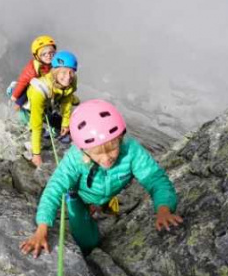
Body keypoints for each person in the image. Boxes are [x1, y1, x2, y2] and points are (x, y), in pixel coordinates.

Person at [20, 99, 183, 257]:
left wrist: (163, 209)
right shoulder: (75, 159)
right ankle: (93, 208)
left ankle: (102, 205)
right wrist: (42, 229)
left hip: (105, 194)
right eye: (97, 153)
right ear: (84, 150)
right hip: (79, 197)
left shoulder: (131, 150)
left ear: (120, 138)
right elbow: (54, 189)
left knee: (102, 208)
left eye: (112, 149)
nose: (106, 159)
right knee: (88, 243)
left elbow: (155, 179)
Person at [26, 50, 79, 167]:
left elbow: (67, 100)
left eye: (71, 72)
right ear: (55, 71)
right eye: (63, 72)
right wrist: (36, 155)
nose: (68, 77)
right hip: (38, 101)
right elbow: (37, 125)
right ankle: (25, 116)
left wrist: (65, 124)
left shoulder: (72, 81)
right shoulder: (38, 91)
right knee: (36, 120)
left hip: (54, 97)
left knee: (74, 101)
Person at [7, 35, 57, 117]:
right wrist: (15, 97)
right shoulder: (32, 69)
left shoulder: (55, 64)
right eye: (44, 54)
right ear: (37, 56)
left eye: (51, 53)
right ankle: (18, 108)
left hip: (46, 87)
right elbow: (22, 82)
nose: (49, 55)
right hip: (32, 87)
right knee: (27, 90)